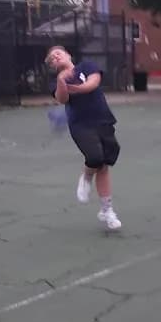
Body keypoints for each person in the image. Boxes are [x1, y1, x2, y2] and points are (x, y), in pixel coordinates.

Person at [46, 46, 122, 231]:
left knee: (104, 165)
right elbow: (62, 99)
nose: (56, 56)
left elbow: (92, 84)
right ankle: (86, 177)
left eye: (59, 53)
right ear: (53, 66)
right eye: (52, 58)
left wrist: (75, 87)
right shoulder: (56, 81)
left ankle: (107, 211)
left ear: (68, 55)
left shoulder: (86, 66)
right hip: (80, 125)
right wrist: (62, 82)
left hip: (103, 119)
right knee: (95, 157)